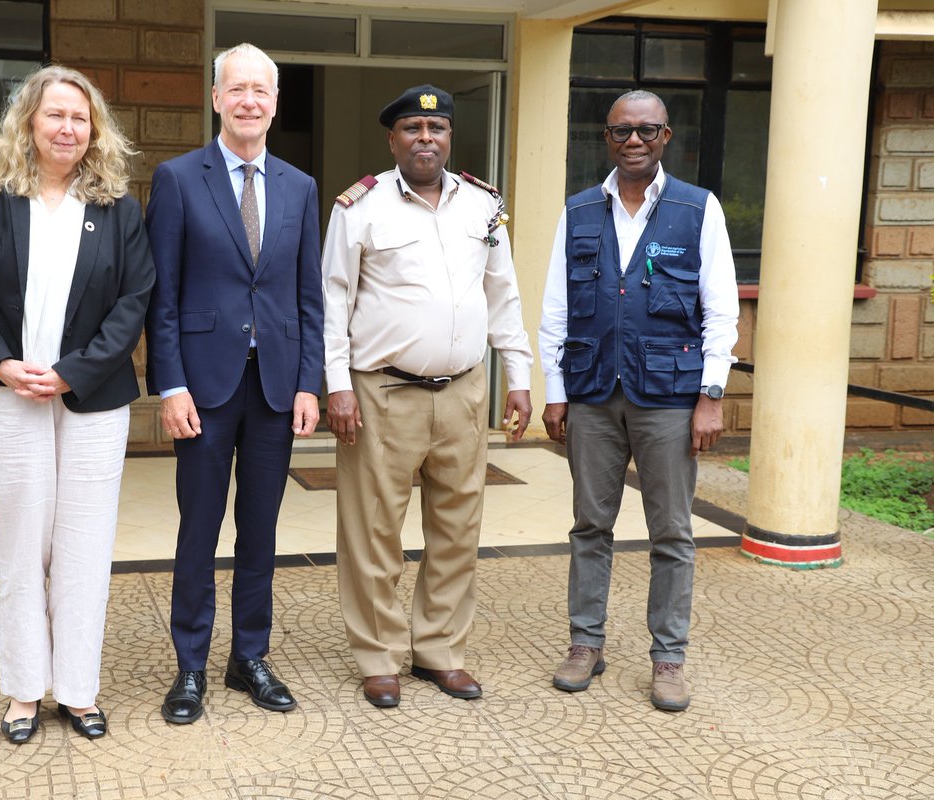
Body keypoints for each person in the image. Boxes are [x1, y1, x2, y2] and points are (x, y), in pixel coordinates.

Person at [0, 65, 156, 742]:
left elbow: (134, 301)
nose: (68, 127)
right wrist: (2, 365)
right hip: (8, 397)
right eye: (55, 114)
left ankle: (79, 692)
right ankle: (26, 690)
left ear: (96, 130)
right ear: (29, 120)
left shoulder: (117, 204)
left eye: (80, 117)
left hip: (90, 397)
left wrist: (71, 373)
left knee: (84, 545)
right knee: (23, 543)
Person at [322, 84, 534, 708]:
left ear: (449, 139)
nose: (425, 138)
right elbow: (333, 301)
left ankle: (440, 650)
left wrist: (517, 375)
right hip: (382, 391)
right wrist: (337, 385)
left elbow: (504, 295)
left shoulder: (483, 207)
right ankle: (379, 656)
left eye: (435, 129)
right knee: (374, 531)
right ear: (392, 141)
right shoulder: (359, 208)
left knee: (458, 527)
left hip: (464, 392)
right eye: (412, 128)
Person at [538, 90, 739, 712]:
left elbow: (722, 310)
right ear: (607, 138)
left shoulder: (697, 209)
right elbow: (555, 309)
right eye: (621, 131)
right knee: (590, 526)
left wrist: (710, 396)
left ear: (665, 136)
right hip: (593, 392)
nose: (633, 141)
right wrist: (555, 391)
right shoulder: (578, 210)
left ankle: (668, 659)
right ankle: (585, 644)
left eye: (645, 131)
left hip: (669, 399)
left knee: (672, 533)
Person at [144, 43, 323, 725]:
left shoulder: (300, 187)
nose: (249, 100)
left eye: (261, 90)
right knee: (199, 531)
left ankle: (248, 657)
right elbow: (163, 294)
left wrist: (309, 383)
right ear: (216, 98)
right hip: (205, 388)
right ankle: (190, 665)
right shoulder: (179, 179)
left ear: (274, 104)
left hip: (276, 387)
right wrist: (171, 385)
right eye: (236, 88)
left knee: (260, 531)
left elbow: (308, 297)